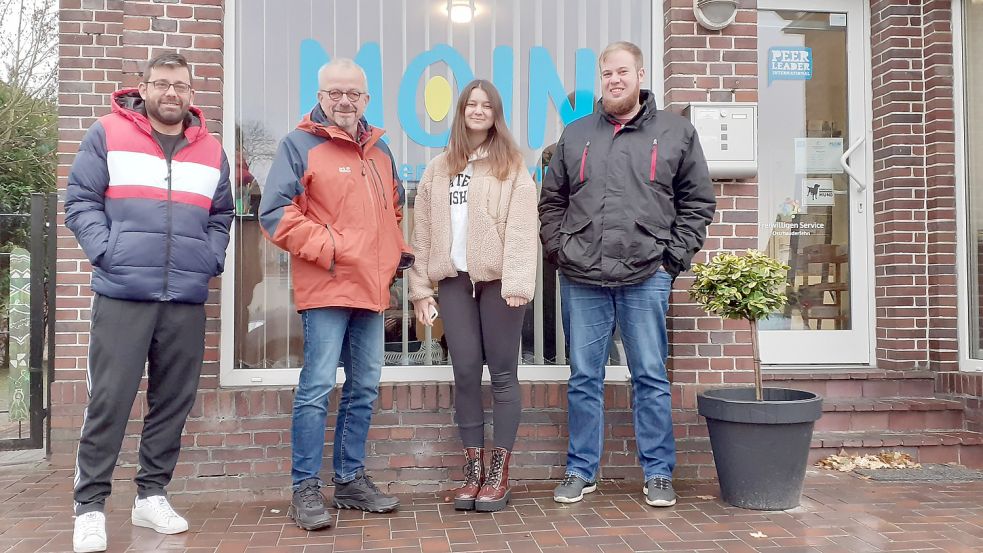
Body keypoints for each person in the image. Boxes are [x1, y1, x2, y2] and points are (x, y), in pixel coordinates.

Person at [64, 52, 234, 553]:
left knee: (172, 403)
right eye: (162, 84)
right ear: (143, 88)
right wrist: (106, 250)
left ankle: (151, 495)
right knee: (109, 400)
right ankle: (90, 506)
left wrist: (209, 257)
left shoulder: (212, 150)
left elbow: (222, 214)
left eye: (180, 86)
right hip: (123, 292)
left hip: (184, 294)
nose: (171, 94)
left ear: (191, 93)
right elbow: (79, 200)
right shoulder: (107, 134)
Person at [539, 41, 715, 508]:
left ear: (640, 74)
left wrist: (671, 260)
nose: (614, 80)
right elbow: (552, 201)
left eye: (622, 72)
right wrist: (560, 249)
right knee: (583, 378)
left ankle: (658, 473)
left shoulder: (676, 132)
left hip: (646, 275)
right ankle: (581, 469)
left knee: (651, 377)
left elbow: (697, 203)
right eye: (606, 74)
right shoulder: (575, 135)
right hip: (582, 276)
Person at [259, 58, 413, 531]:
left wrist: (393, 257)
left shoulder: (380, 149)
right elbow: (275, 213)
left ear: (366, 99)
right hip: (326, 285)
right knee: (316, 389)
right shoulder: (298, 144)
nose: (344, 101)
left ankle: (348, 481)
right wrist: (336, 249)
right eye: (335, 93)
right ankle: (304, 489)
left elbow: (393, 212)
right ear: (321, 96)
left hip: (370, 288)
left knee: (364, 387)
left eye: (354, 94)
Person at [408, 80, 538, 512]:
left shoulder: (512, 166)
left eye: (486, 105)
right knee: (464, 371)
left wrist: (519, 282)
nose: (478, 111)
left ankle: (498, 476)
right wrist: (420, 290)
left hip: (499, 282)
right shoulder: (438, 168)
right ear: (461, 111)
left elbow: (522, 229)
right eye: (471, 104)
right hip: (454, 281)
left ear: (495, 113)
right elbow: (422, 231)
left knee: (501, 374)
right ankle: (472, 473)